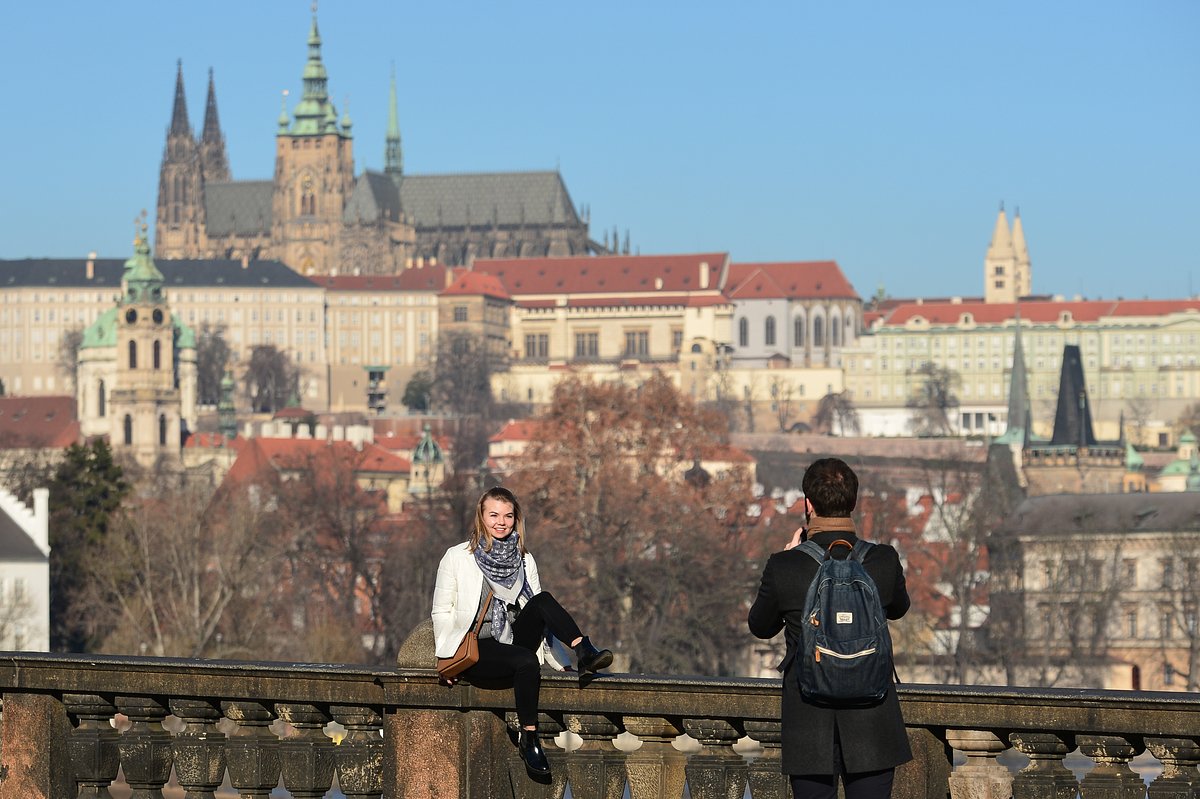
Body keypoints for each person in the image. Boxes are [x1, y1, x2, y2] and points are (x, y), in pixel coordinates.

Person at [748, 458, 912, 799]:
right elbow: (899, 609)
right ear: (853, 503)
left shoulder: (785, 565)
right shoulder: (883, 560)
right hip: (873, 719)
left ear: (808, 504)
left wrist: (791, 557)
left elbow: (760, 627)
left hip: (809, 721)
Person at [431, 486, 613, 776]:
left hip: (513, 637)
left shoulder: (524, 558)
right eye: (494, 515)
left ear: (516, 519)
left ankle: (583, 650)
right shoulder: (457, 557)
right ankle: (529, 737)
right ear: (481, 516)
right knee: (526, 662)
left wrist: (562, 663)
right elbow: (441, 611)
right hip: (479, 646)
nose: (501, 522)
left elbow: (543, 620)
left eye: (507, 516)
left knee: (542, 600)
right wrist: (446, 660)